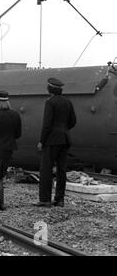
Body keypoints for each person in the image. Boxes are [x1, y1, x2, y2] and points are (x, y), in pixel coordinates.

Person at [35, 78, 77, 208]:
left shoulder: (50, 102)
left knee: (46, 169)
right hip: (64, 139)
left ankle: (45, 200)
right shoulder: (68, 102)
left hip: (51, 140)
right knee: (61, 170)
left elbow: (47, 125)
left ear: (50, 89)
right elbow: (73, 121)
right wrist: (63, 130)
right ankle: (60, 199)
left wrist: (42, 141)